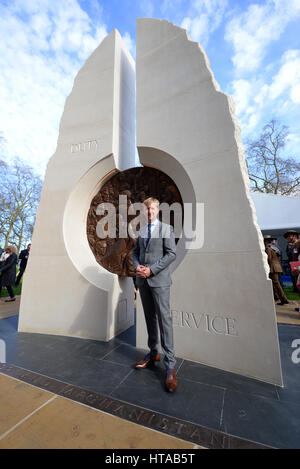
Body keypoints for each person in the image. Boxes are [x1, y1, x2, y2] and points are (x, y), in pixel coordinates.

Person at [132, 197, 177, 392]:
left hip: (159, 281)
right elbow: (134, 253)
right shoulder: (141, 230)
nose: (149, 211)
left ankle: (170, 365)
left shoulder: (167, 229)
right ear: (144, 211)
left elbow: (171, 253)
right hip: (143, 281)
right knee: (149, 318)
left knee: (164, 320)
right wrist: (137, 267)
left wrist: (152, 270)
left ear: (158, 209)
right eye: (146, 209)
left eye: (152, 208)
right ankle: (153, 353)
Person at [264, 235, 289, 305]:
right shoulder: (274, 247)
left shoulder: (268, 248)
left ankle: (283, 299)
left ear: (265, 242)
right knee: (275, 283)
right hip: (277, 266)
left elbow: (268, 259)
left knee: (276, 283)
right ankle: (277, 297)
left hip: (273, 267)